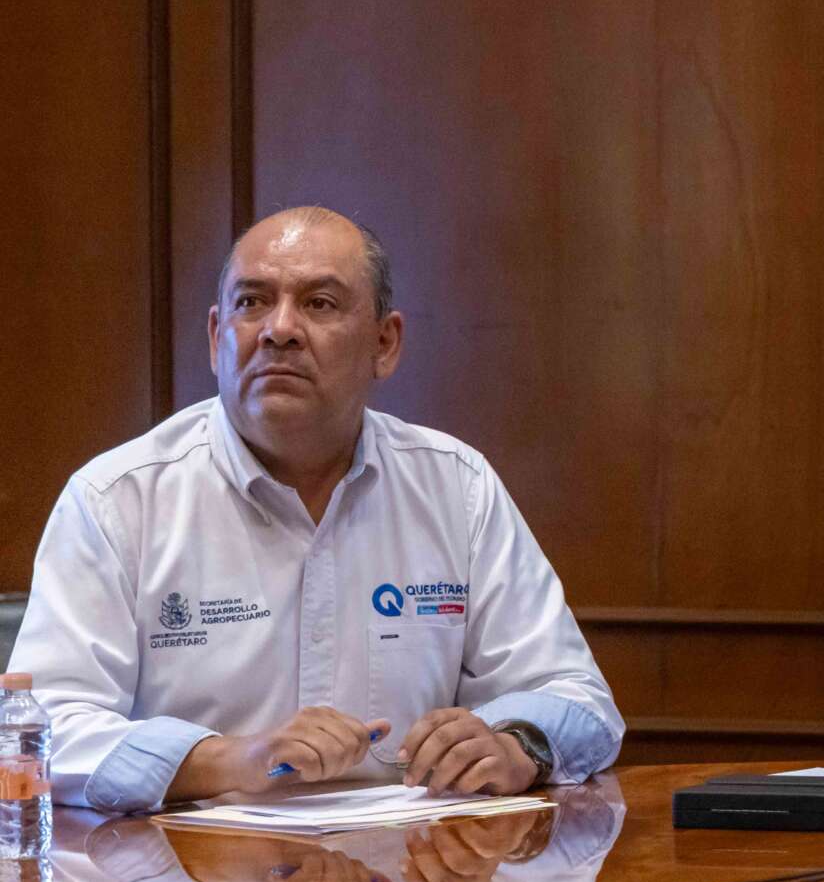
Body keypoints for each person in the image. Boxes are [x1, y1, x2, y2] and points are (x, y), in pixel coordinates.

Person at [11, 207, 623, 813]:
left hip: (410, 865)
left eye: (320, 303)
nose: (279, 329)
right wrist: (227, 760)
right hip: (191, 868)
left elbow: (578, 698)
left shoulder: (456, 488)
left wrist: (517, 745)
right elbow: (36, 731)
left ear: (384, 344)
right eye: (252, 302)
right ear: (216, 338)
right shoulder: (118, 499)